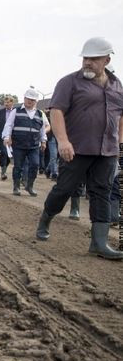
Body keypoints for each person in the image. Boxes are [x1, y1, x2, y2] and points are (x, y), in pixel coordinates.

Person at [36, 37, 123, 260]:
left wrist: (119, 141)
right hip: (76, 148)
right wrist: (63, 141)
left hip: (107, 151)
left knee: (101, 192)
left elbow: (120, 115)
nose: (87, 62)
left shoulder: (116, 84)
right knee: (64, 189)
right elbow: (56, 112)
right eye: (85, 58)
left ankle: (99, 243)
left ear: (107, 60)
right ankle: (46, 218)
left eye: (93, 59)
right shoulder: (69, 82)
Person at [2, 89, 48, 197]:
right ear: (24, 99)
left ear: (36, 101)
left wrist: (44, 141)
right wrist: (6, 137)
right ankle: (16, 186)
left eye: (32, 100)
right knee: (18, 166)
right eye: (28, 99)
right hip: (19, 145)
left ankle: (29, 186)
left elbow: (42, 129)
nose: (30, 101)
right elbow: (8, 125)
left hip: (34, 145)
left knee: (35, 164)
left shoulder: (40, 114)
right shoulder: (16, 111)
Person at [0, 96, 16, 180]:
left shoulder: (15, 112)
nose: (6, 104)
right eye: (5, 102)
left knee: (9, 155)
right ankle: (3, 172)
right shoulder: (0, 112)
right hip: (2, 136)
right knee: (4, 152)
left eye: (8, 102)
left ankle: (5, 168)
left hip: (12, 136)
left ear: (12, 103)